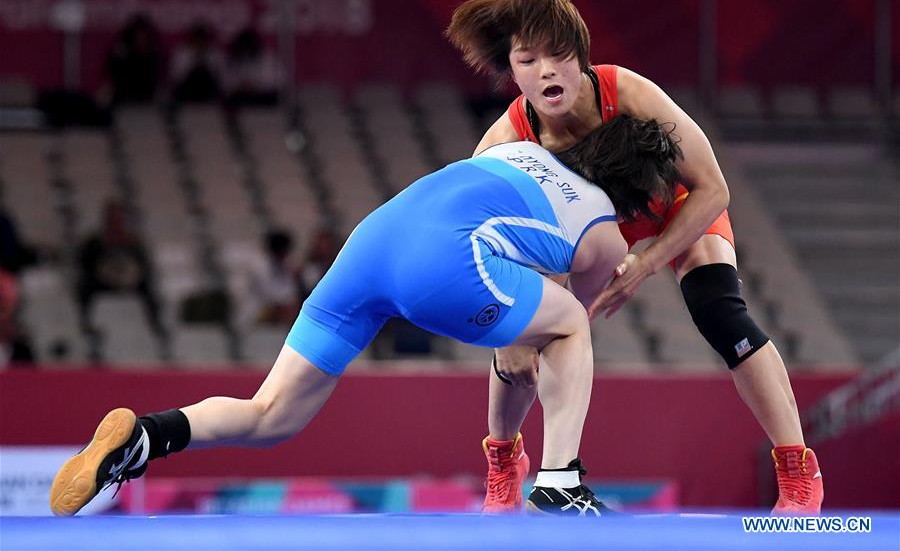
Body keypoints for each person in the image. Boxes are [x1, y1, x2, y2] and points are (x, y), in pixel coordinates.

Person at [49, 115, 682, 518]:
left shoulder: (517, 152)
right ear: (639, 194)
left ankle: (145, 436)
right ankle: (559, 479)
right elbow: (569, 325)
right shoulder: (605, 230)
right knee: (570, 322)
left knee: (271, 414)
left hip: (369, 245)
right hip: (442, 263)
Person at [445, 0, 822, 515]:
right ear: (512, 70)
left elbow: (714, 188)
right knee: (529, 341)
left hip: (671, 204)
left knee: (721, 314)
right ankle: (508, 464)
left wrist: (647, 262)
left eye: (559, 56)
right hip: (580, 230)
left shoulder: (628, 93)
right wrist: (503, 328)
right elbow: (472, 238)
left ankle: (797, 470)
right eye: (529, 60)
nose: (547, 71)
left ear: (583, 58)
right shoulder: (505, 143)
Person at [76, 200, 170, 362]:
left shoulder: (135, 244)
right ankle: (89, 328)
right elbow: (86, 268)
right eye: (113, 217)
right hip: (101, 288)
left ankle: (153, 329)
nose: (116, 221)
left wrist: (128, 280)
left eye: (119, 217)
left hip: (131, 288)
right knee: (85, 289)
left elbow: (143, 270)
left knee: (150, 293)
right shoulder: (94, 243)